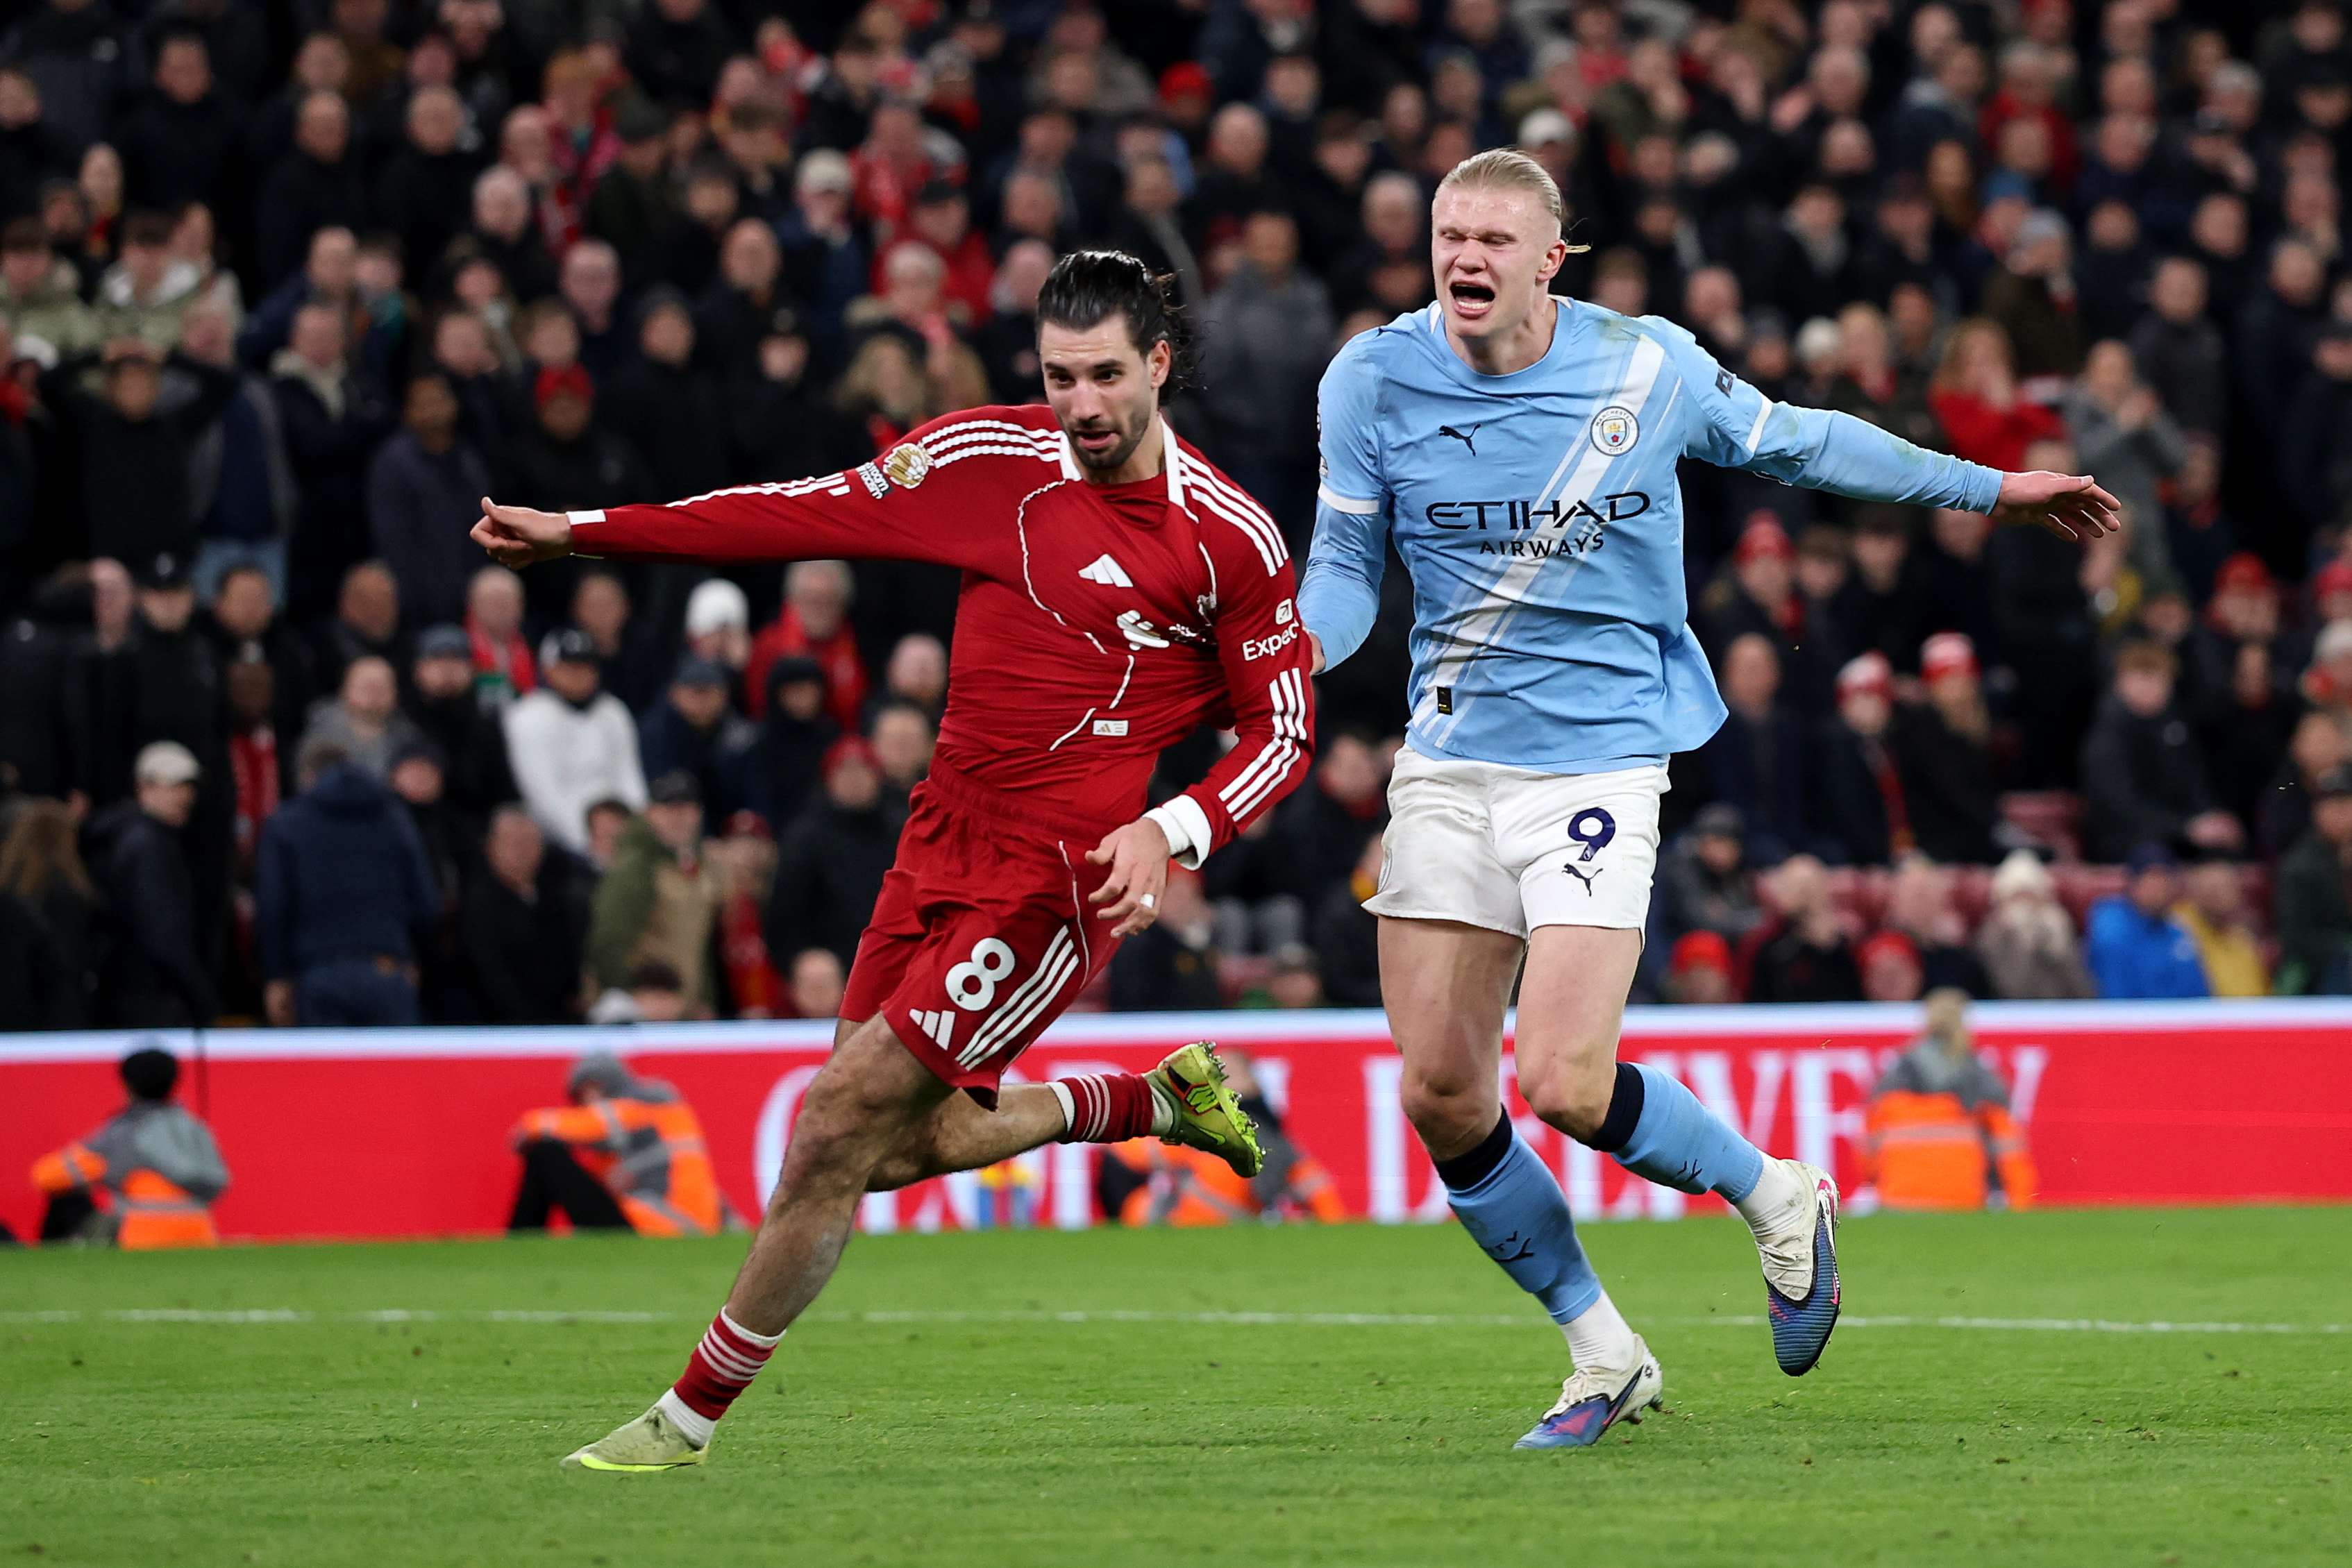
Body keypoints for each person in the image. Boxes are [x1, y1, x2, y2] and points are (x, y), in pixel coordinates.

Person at [1299, 149, 2117, 1447]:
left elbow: (1804, 441)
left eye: (1494, 238)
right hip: (1449, 760)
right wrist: (1283, 655)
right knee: (1441, 1091)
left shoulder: (1646, 367)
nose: (1464, 256)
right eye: (1450, 233)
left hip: (1600, 757)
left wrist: (1988, 487)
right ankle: (1601, 1350)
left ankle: (1776, 1193)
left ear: (1550, 259)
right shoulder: (1371, 376)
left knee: (1563, 1079)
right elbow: (1344, 566)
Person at [471, 250, 1313, 1472]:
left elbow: (1282, 732)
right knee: (892, 1146)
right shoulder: (983, 459)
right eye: (1059, 375)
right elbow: (792, 510)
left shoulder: (1226, 536)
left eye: (1104, 375)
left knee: (829, 1125)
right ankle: (1151, 1100)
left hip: (1054, 879)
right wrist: (585, 536)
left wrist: (1169, 828)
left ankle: (683, 1420)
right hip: (938, 836)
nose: (1080, 403)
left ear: (1158, 364)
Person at [255, 739, 441, 1027]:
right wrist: (410, 956)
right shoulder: (394, 818)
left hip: (317, 970)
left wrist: (276, 975)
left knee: (326, 1058)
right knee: (391, 1057)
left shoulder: (287, 823)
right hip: (386, 966)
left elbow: (272, 908)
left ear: (307, 777)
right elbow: (426, 904)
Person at [507, 1052, 727, 1237]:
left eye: (590, 1089)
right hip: (668, 1224)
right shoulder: (638, 1137)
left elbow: (593, 1123)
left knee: (546, 1153)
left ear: (609, 1082)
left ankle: (518, 1243)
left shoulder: (646, 1101)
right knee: (550, 1155)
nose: (587, 1102)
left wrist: (531, 1124)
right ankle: (522, 1241)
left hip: (658, 1225)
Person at [32, 1045, 230, 1247]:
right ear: (175, 1082)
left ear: (127, 1085)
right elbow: (219, 1181)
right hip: (201, 1237)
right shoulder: (195, 1129)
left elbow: (45, 1176)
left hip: (138, 1238)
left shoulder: (122, 1133)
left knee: (65, 1201)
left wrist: (93, 1179)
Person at [1862, 989, 2037, 1212]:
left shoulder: (1893, 1080)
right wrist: (2020, 1206)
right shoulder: (1980, 1081)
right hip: (1962, 1200)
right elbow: (2011, 1153)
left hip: (1900, 1200)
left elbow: (1867, 1155)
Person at [83, 740, 215, 1027]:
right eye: (175, 786)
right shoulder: (146, 844)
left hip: (124, 996)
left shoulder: (126, 835)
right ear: (144, 786)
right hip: (148, 1000)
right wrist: (202, 998)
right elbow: (163, 934)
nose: (186, 796)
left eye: (189, 787)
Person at [585, 773, 719, 1018]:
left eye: (686, 808)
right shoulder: (636, 867)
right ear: (650, 813)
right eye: (669, 809)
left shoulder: (699, 866)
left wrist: (705, 998)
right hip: (644, 1010)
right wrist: (629, 1000)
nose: (678, 818)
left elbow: (699, 943)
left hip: (683, 1010)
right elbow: (609, 942)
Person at [503, 629, 647, 855]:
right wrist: (589, 843)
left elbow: (630, 781)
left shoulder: (613, 712)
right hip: (560, 844)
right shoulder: (527, 717)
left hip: (620, 834)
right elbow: (544, 796)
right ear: (548, 669)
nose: (578, 674)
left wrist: (637, 835)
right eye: (569, 666)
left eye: (586, 666)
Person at [460, 804, 585, 1024]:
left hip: (562, 1019)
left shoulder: (554, 894)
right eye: (511, 842)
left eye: (528, 842)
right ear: (491, 847)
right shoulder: (479, 905)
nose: (521, 851)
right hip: (508, 1026)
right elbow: (492, 977)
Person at [2083, 843, 2211, 1000]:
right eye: (2151, 880)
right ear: (2133, 883)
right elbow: (2116, 999)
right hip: (2134, 1014)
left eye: (2165, 881)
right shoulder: (2111, 929)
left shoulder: (2177, 931)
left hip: (2179, 1014)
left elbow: (2199, 994)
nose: (2159, 891)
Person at [1974, 849, 2094, 1000]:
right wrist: (2020, 944)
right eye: (2017, 897)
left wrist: (2058, 948)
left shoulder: (2056, 926)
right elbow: (2013, 992)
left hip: (2059, 1011)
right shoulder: (1992, 937)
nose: (2025, 905)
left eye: (2030, 897)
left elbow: (2084, 993)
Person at [2275, 764, 2352, 995]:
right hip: (2319, 972)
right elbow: (2296, 938)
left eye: (2344, 803)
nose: (2337, 814)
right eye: (2328, 804)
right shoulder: (2301, 865)